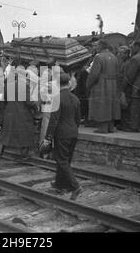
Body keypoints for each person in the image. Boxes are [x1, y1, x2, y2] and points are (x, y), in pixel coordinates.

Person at [42, 72, 81, 200]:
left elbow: (53, 120)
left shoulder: (56, 98)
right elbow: (78, 119)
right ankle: (60, 184)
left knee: (61, 160)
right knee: (66, 159)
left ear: (58, 84)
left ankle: (75, 186)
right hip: (73, 132)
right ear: (69, 83)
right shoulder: (75, 98)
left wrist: (48, 138)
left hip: (61, 134)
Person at [0, 62, 39, 162]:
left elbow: (4, 100)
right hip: (22, 114)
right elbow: (28, 102)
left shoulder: (8, 85)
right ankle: (24, 155)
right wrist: (36, 106)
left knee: (5, 135)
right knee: (25, 134)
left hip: (9, 113)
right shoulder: (25, 86)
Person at [86, 39, 121, 133]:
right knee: (111, 104)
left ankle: (103, 128)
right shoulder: (114, 57)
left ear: (101, 46)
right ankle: (110, 127)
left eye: (97, 45)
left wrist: (88, 84)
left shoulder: (98, 57)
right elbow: (118, 72)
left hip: (101, 84)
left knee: (101, 105)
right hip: (113, 84)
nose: (95, 47)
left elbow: (94, 74)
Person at [123, 41, 140, 132]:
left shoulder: (136, 58)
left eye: (132, 47)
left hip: (138, 85)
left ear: (137, 46)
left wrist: (124, 88)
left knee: (136, 106)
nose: (131, 49)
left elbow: (130, 76)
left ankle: (134, 126)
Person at [116, 45, 132, 130]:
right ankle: (123, 124)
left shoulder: (127, 63)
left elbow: (126, 77)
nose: (118, 54)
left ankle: (126, 125)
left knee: (125, 106)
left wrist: (122, 89)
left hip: (125, 88)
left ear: (126, 54)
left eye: (120, 53)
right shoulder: (122, 62)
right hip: (121, 86)